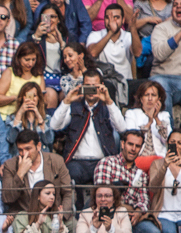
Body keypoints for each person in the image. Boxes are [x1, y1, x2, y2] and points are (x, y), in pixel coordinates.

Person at [51, 70, 126, 208]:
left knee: (111, 182)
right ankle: (79, 213)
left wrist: (109, 101)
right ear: (82, 86)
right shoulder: (74, 105)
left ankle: (96, 213)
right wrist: (67, 101)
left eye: (95, 86)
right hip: (77, 162)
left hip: (102, 162)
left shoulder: (107, 106)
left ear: (102, 86)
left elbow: (122, 128)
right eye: (88, 86)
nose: (91, 90)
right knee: (71, 174)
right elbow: (54, 126)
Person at [0, 128, 72, 215]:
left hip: (53, 215)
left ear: (38, 146)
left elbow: (69, 193)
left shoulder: (56, 161)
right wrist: (20, 174)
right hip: (25, 217)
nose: (24, 154)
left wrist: (61, 216)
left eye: (28, 149)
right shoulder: (10, 165)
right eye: (20, 150)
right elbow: (7, 198)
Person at [148, 129, 181, 233]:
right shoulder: (157, 164)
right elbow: (153, 188)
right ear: (167, 143)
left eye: (179, 143)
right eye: (172, 142)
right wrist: (164, 166)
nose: (176, 145)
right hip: (164, 214)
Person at [85, 3, 141, 100]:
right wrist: (110, 32)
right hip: (105, 82)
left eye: (116, 17)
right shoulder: (95, 35)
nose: (112, 21)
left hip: (126, 82)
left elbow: (137, 53)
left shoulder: (128, 36)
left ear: (123, 20)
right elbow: (93, 53)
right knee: (109, 87)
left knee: (147, 86)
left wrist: (133, 28)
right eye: (108, 18)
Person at [123, 80, 172, 172]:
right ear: (141, 99)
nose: (150, 99)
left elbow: (167, 139)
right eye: (146, 95)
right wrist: (149, 123)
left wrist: (157, 119)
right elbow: (131, 137)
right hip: (138, 156)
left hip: (159, 157)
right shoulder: (131, 114)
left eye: (153, 95)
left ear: (159, 98)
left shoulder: (164, 115)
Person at [0, 41, 44, 119]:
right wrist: (16, 98)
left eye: (33, 60)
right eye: (27, 60)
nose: (30, 63)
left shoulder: (39, 75)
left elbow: (42, 101)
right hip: (7, 117)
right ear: (19, 58)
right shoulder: (9, 72)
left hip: (30, 118)